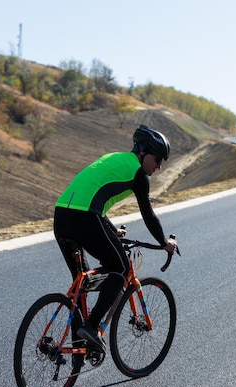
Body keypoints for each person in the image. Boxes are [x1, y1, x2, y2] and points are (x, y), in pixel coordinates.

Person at [53, 124, 178, 353]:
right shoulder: (139, 174)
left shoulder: (114, 158)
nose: (159, 166)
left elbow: (92, 194)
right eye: (158, 159)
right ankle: (91, 327)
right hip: (85, 218)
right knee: (120, 269)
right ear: (143, 152)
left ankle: (76, 352)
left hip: (62, 216)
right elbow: (148, 214)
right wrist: (164, 242)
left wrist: (110, 228)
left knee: (83, 283)